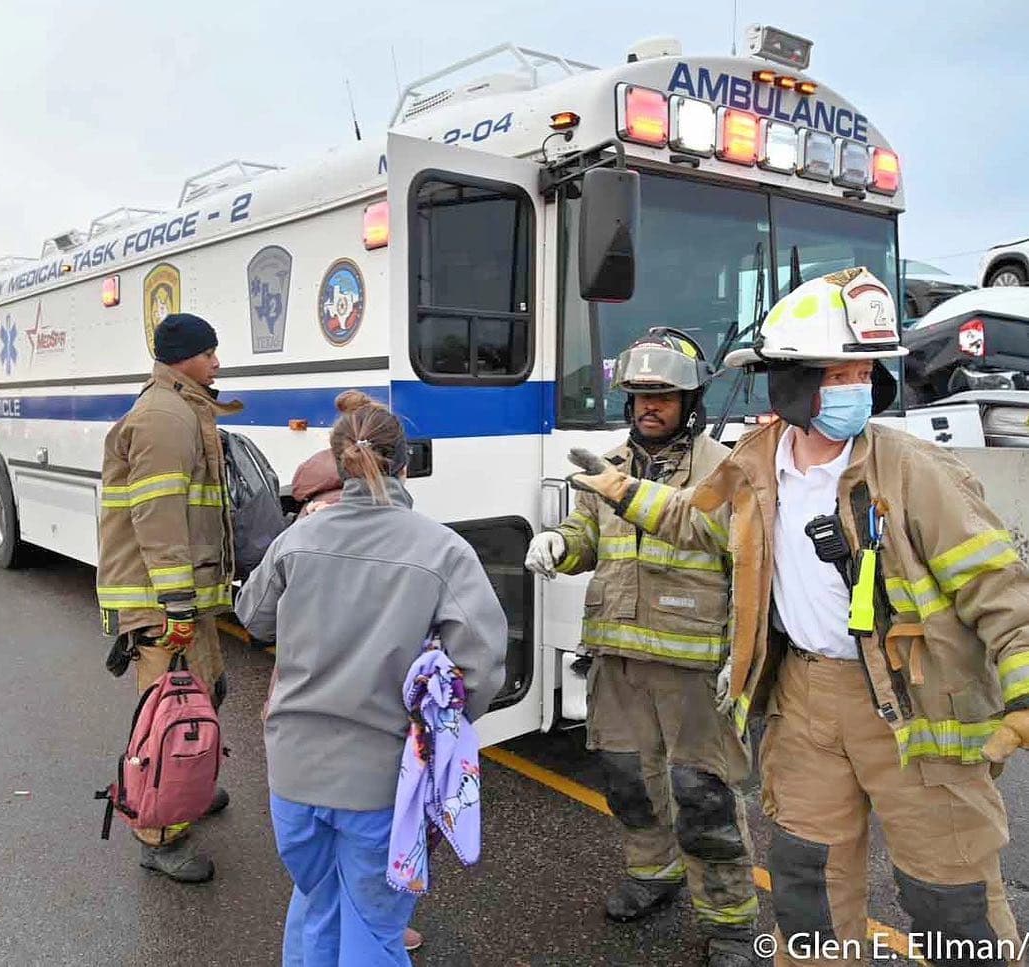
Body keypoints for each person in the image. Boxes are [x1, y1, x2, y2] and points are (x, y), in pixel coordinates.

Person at [567, 268, 1027, 966]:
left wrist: (1022, 696)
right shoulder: (756, 463)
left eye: (865, 372)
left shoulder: (917, 472)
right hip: (806, 699)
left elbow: (1001, 590)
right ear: (791, 382)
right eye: (839, 374)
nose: (857, 388)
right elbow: (697, 521)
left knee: (951, 903)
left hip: (917, 702)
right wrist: (623, 490)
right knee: (808, 888)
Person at [236, 396, 507, 966]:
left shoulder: (298, 538)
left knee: (317, 902)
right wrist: (442, 724)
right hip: (383, 783)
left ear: (339, 465)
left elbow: (252, 616)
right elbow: (480, 668)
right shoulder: (442, 550)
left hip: (293, 775)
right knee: (374, 928)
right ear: (404, 465)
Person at [525, 329, 758, 967]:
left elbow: (734, 551)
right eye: (639, 396)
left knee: (703, 795)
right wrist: (561, 544)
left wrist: (738, 662)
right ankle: (653, 873)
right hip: (618, 656)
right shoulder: (606, 466)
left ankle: (731, 924)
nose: (649, 407)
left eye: (664, 396)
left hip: (692, 664)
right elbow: (586, 534)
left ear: (690, 402)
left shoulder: (723, 469)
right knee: (628, 779)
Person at [96, 312, 242, 883]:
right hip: (163, 602)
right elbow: (157, 518)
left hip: (179, 598)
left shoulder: (181, 408)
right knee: (170, 721)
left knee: (202, 697)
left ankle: (190, 789)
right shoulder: (163, 418)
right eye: (209, 353)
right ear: (184, 358)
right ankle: (159, 837)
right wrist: (177, 603)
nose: (217, 362)